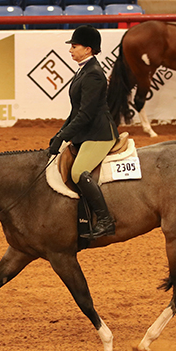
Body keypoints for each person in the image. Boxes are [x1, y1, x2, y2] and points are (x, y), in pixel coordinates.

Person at [48, 25, 119, 240]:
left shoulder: (94, 75)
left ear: (88, 49)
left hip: (99, 133)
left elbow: (86, 115)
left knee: (78, 172)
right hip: (87, 130)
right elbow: (76, 110)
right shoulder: (83, 69)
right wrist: (60, 132)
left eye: (74, 46)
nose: (70, 49)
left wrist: (64, 136)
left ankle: (106, 221)